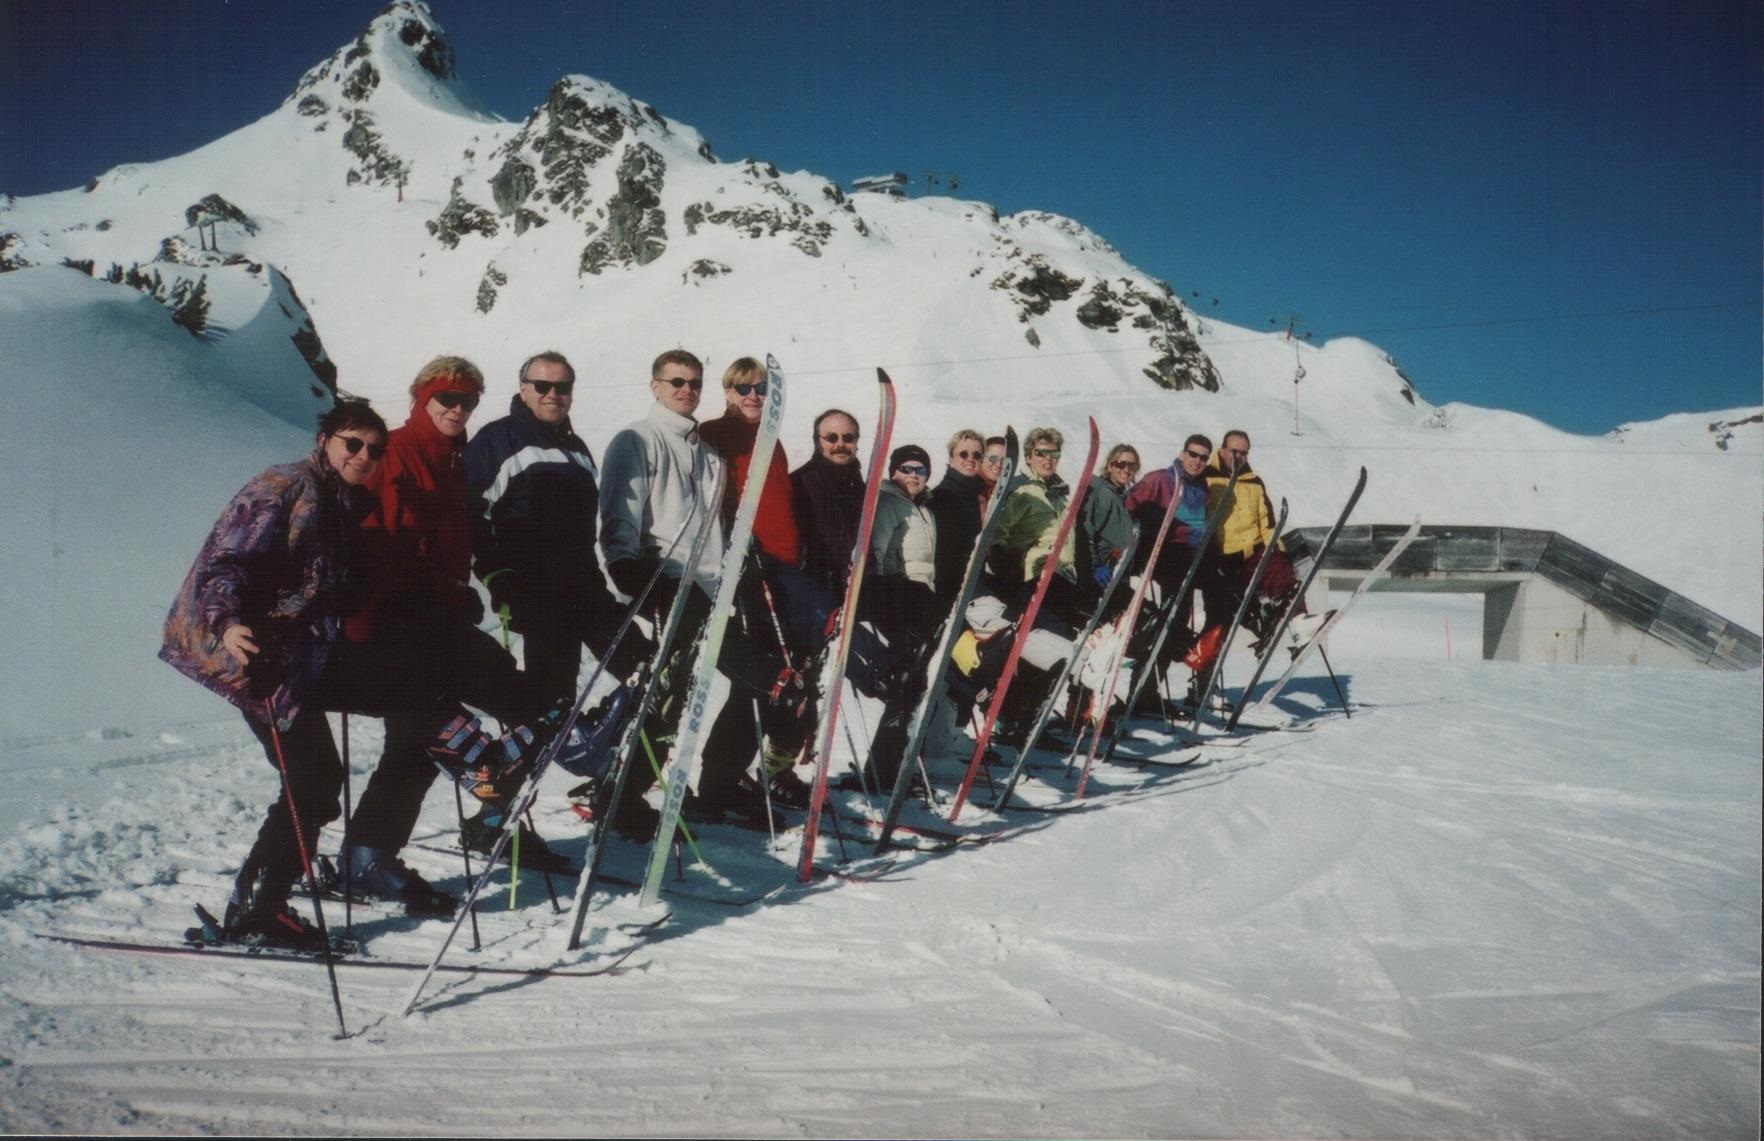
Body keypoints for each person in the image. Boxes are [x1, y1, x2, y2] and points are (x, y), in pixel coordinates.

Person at [159, 400, 390, 948]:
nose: (363, 456)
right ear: (325, 438)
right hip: (253, 655)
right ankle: (258, 909)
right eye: (352, 443)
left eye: (374, 450)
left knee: (315, 781)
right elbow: (228, 559)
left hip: (291, 657)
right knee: (313, 782)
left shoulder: (340, 500)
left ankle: (256, 904)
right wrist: (229, 621)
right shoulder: (285, 485)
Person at [345, 356, 569, 899]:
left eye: (467, 400)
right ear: (421, 399)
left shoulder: (450, 459)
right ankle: (369, 855)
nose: (456, 408)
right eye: (445, 398)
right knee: (442, 722)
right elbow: (381, 543)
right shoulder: (398, 450)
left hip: (431, 616)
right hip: (396, 622)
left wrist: (460, 590)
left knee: (419, 740)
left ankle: (371, 854)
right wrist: (431, 598)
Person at [465, 351, 642, 710]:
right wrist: (497, 575)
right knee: (552, 701)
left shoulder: (577, 450)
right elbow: (467, 514)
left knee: (641, 662)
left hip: (584, 585)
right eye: (542, 385)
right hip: (535, 592)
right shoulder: (498, 439)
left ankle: (636, 719)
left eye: (562, 387)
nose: (553, 394)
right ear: (523, 389)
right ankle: (547, 749)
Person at [598, 349, 725, 840]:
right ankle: (622, 793)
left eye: (694, 382)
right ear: (655, 385)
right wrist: (628, 569)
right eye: (676, 381)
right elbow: (620, 511)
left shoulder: (706, 452)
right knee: (663, 693)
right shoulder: (638, 439)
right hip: (663, 578)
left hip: (708, 585)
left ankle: (633, 784)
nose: (686, 390)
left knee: (681, 696)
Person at [694, 357, 825, 821]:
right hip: (748, 573)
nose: (753, 396)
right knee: (754, 684)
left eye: (761, 389)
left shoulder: (773, 441)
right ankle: (716, 785)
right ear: (727, 392)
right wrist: (735, 549)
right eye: (743, 388)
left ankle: (741, 776)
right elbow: (708, 498)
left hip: (784, 571)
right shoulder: (712, 433)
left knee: (777, 684)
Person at [1125, 433, 1217, 712]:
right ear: (1182, 453)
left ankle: (1149, 691)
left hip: (1192, 558)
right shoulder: (1160, 479)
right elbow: (1128, 508)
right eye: (1193, 454)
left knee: (1184, 617)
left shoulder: (1202, 489)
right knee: (1170, 620)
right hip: (1165, 557)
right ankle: (1142, 693)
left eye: (1203, 457)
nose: (1197, 461)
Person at [1202, 429, 1312, 659]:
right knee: (1219, 621)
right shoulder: (1206, 479)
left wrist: (1279, 554)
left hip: (1252, 554)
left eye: (1244, 453)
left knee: (1281, 576)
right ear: (1222, 450)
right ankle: (1205, 680)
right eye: (1234, 452)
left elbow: (1268, 523)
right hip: (1221, 560)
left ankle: (1301, 625)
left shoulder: (1254, 482)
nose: (1239, 457)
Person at [790, 408, 864, 593]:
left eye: (848, 438)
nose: (840, 444)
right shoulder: (799, 483)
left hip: (852, 592)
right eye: (831, 438)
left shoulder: (860, 487)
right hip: (813, 591)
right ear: (818, 442)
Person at [928, 429, 988, 600]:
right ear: (951, 458)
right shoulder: (941, 497)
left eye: (977, 455)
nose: (971, 459)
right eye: (963, 454)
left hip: (972, 585)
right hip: (950, 592)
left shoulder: (975, 495)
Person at [1082, 443, 1139, 610]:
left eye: (1132, 465)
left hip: (1115, 573)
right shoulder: (1101, 492)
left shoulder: (1120, 496)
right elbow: (1086, 531)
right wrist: (1095, 567)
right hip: (1099, 575)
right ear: (1109, 466)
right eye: (1120, 464)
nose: (1126, 470)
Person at [978, 435, 1008, 511]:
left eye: (1004, 461)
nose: (999, 464)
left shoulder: (1000, 491)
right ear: (981, 458)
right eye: (993, 458)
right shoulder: (969, 489)